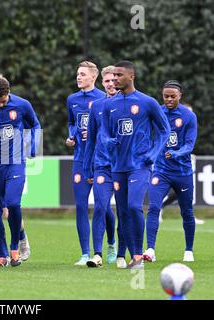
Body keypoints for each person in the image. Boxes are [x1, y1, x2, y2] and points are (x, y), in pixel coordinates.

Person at [101, 60, 170, 269]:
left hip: (140, 164)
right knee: (122, 212)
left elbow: (164, 130)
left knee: (133, 206)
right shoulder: (109, 104)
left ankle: (138, 256)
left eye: (119, 75)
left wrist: (154, 153)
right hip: (118, 166)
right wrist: (107, 141)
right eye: (113, 76)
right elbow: (103, 133)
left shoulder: (147, 102)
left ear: (131, 76)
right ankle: (133, 257)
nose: (114, 79)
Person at [0, 76, 40, 267]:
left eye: (3, 101)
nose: (0, 105)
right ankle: (2, 255)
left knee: (13, 203)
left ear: (9, 92)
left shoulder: (23, 105)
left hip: (15, 162)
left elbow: (35, 125)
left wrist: (34, 146)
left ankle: (15, 247)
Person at [144, 80, 197, 262]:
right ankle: (150, 249)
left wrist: (176, 153)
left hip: (183, 172)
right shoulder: (156, 113)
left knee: (187, 212)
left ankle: (188, 250)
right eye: (166, 96)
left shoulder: (188, 117)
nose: (169, 99)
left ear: (180, 96)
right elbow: (147, 135)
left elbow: (190, 144)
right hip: (161, 171)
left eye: (172, 96)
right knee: (153, 207)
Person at [65, 61, 105, 266]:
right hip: (80, 159)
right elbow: (72, 122)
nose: (78, 77)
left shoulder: (103, 98)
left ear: (93, 77)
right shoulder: (72, 99)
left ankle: (112, 245)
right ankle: (85, 253)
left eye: (82, 74)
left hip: (100, 160)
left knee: (102, 207)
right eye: (77, 74)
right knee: (81, 205)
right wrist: (71, 135)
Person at [83, 65, 122, 268]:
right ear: (102, 83)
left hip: (124, 166)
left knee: (125, 209)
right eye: (106, 81)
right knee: (100, 206)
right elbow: (90, 139)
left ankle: (117, 247)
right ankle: (97, 254)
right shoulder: (96, 106)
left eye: (113, 80)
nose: (110, 84)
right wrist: (87, 166)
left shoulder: (129, 104)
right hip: (101, 164)